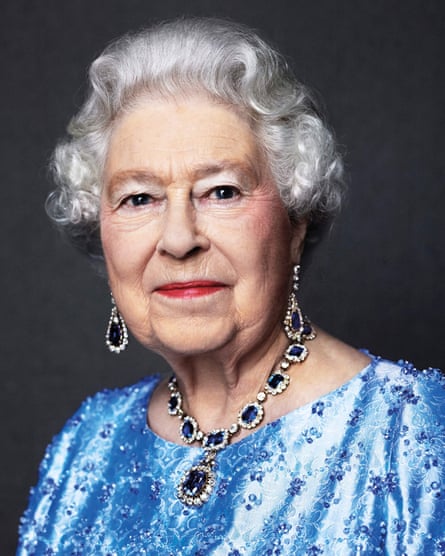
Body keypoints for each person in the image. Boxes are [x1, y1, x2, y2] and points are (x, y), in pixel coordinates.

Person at [18, 17, 444, 555]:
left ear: (296, 224)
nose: (177, 240)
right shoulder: (86, 443)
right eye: (139, 198)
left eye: (221, 192)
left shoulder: (412, 433)